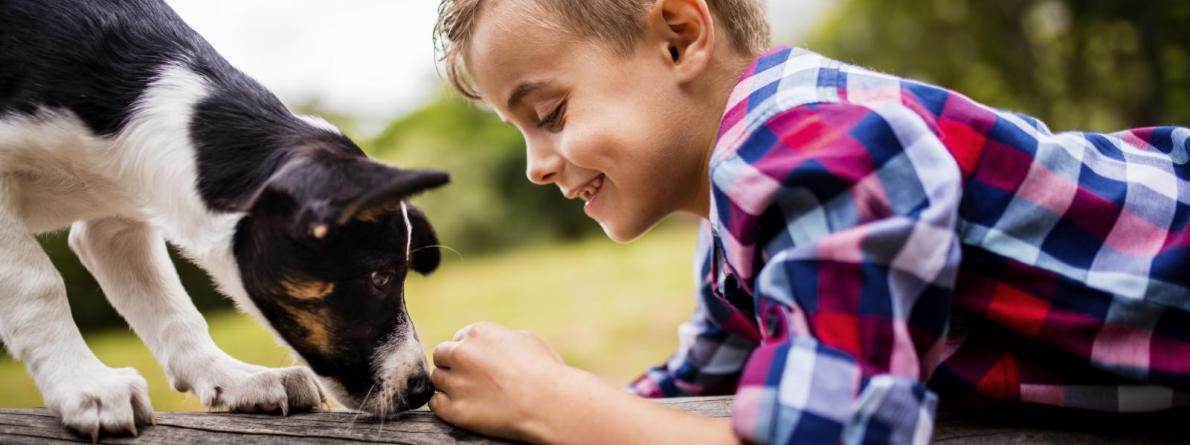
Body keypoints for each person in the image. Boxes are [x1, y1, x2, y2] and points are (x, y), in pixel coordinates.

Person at [425, 0, 1190, 443]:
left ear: (679, 37)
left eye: (550, 113)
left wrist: (551, 399)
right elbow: (682, 400)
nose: (535, 164)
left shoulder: (804, 146)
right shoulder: (739, 221)